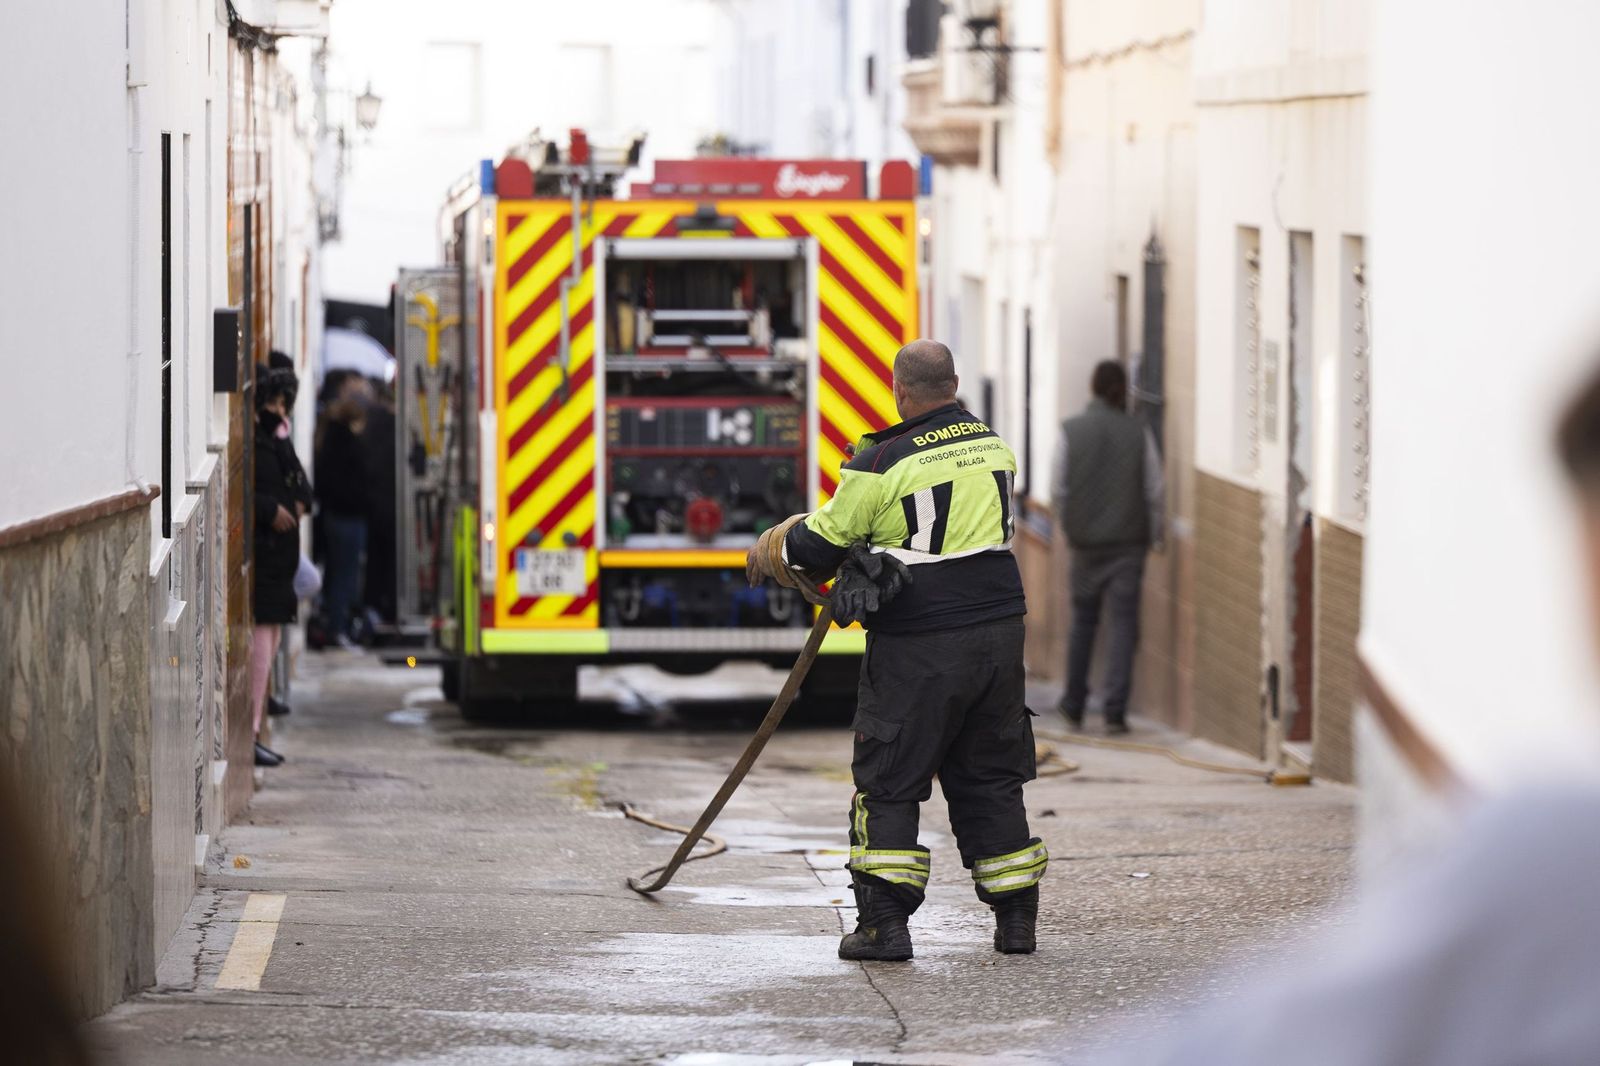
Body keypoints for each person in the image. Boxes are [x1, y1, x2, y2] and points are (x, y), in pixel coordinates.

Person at [1089, 363, 1600, 1066]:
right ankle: (1109, 706)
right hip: (1113, 552)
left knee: (1093, 634)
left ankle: (1096, 706)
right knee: (1116, 635)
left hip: (1068, 558)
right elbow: (1149, 489)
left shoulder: (1561, 850)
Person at [747, 339, 1044, 961]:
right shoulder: (994, 445)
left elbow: (822, 545)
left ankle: (885, 927)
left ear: (899, 391)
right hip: (999, 634)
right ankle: (1016, 923)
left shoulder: (879, 462)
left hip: (921, 645)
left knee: (888, 781)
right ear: (955, 384)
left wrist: (783, 542)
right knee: (990, 774)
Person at [1050, 360, 1165, 735]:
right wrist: (1157, 534)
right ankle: (1116, 710)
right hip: (1128, 545)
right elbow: (1154, 488)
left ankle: (1074, 704)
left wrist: (1069, 527)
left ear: (1093, 388)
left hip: (1085, 546)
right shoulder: (1139, 432)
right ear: (1121, 390)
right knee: (1123, 625)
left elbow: (1058, 488)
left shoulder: (1071, 431)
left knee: (1083, 623)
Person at [251, 358, 312, 767]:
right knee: (262, 640)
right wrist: (269, 508)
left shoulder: (276, 442)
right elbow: (242, 494)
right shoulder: (252, 444)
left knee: (270, 640)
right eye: (273, 404)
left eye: (283, 404)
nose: (280, 412)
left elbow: (303, 486)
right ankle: (252, 729)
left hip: (280, 562)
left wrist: (284, 437)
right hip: (267, 557)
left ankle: (256, 722)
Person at [315, 375, 372, 648]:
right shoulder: (347, 442)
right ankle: (338, 628)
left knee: (336, 573)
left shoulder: (328, 436)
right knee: (345, 576)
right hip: (348, 518)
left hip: (334, 516)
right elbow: (357, 481)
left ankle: (335, 625)